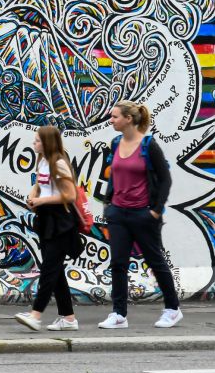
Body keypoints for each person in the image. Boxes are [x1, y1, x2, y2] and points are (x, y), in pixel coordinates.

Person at [99, 100, 180, 329]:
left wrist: (155, 211)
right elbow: (113, 177)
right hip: (118, 213)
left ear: (129, 119)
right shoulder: (115, 143)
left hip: (142, 214)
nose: (111, 120)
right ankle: (119, 314)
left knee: (155, 261)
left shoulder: (148, 145)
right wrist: (109, 207)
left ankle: (172, 309)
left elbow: (165, 179)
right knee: (118, 264)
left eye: (115, 117)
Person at [15, 126, 80, 332]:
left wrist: (42, 200)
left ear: (47, 142)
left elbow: (70, 196)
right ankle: (68, 318)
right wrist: (32, 197)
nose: (34, 143)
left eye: (37, 140)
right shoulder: (42, 161)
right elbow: (38, 183)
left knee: (50, 270)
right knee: (56, 270)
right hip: (46, 219)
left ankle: (36, 314)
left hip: (60, 221)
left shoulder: (59, 164)